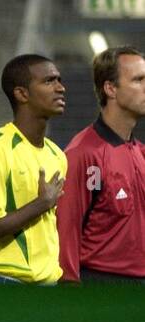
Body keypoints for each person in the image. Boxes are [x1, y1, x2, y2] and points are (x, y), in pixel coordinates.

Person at [0, 55, 67, 284]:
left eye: (59, 80)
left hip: (45, 286)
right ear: (22, 94)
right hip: (2, 281)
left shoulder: (57, 155)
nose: (61, 88)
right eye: (49, 81)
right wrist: (41, 204)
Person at [56, 46, 145, 283]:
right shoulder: (83, 154)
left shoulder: (140, 153)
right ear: (110, 88)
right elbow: (67, 233)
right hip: (101, 286)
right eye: (138, 80)